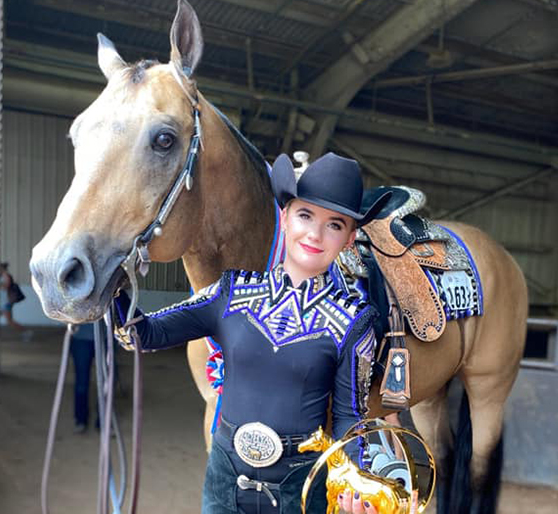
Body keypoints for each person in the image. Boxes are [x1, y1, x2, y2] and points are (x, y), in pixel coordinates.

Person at [114, 152, 391, 514]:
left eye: (334, 225)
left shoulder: (353, 321)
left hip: (301, 487)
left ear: (350, 239)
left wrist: (357, 481)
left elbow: (348, 416)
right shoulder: (229, 293)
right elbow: (143, 334)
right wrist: (114, 287)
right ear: (286, 217)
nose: (315, 233)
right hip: (224, 478)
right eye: (305, 215)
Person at [70, 323, 96, 434]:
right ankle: (80, 420)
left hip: (106, 337)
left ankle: (105, 421)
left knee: (107, 382)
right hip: (81, 339)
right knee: (82, 382)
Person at [0, 262, 33, 341]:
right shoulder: (1, 276)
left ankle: (26, 332)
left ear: (2, 268)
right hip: (1, 302)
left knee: (9, 321)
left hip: (5, 302)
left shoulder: (6, 276)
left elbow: (6, 286)